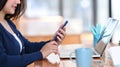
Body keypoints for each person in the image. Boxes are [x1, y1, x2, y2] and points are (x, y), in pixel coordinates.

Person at [0, 0, 66, 67]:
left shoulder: (8, 22)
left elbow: (26, 47)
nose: (18, 2)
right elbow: (3, 61)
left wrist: (53, 42)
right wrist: (41, 54)